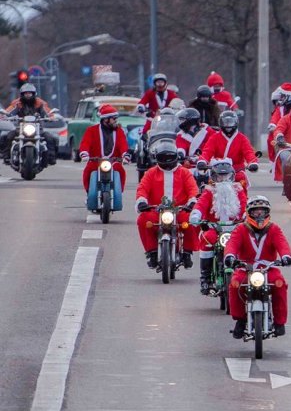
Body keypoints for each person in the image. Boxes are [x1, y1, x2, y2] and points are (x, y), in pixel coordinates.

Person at [224, 195, 291, 339]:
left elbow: (282, 244)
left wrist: (286, 256)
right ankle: (240, 320)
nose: (259, 215)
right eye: (256, 212)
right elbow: (232, 244)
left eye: (262, 211)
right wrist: (230, 256)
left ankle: (280, 323)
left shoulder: (273, 228)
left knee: (280, 284)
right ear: (249, 213)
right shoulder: (241, 229)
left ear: (268, 212)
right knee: (235, 284)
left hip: (268, 268)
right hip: (245, 268)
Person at [135, 140, 200, 269]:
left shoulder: (184, 172)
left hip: (180, 210)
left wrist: (192, 202)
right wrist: (142, 201)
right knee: (143, 220)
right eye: (163, 158)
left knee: (192, 221)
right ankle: (152, 252)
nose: (167, 161)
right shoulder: (151, 173)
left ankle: (187, 252)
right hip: (157, 210)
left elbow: (193, 189)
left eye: (170, 157)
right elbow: (142, 189)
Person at [188, 158, 247, 295]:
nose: (223, 179)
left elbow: (245, 206)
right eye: (220, 176)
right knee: (207, 238)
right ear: (213, 177)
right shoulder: (209, 191)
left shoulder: (238, 190)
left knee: (246, 241)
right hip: (214, 229)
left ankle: (246, 274)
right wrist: (196, 216)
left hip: (235, 229)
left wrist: (246, 216)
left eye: (226, 176)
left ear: (232, 176)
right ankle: (206, 278)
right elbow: (200, 205)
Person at [78, 103, 129, 214]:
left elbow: (123, 144)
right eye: (113, 119)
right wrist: (84, 154)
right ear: (105, 120)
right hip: (96, 161)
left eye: (116, 119)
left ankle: (118, 193)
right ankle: (89, 194)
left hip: (113, 161)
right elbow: (85, 143)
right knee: (88, 171)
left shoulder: (119, 131)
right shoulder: (91, 130)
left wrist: (125, 155)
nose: (115, 121)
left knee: (120, 171)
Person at [200, 110, 258, 189]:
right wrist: (202, 161)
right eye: (225, 122)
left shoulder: (242, 138)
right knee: (209, 186)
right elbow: (207, 151)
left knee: (241, 180)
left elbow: (249, 152)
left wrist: (252, 163)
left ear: (236, 122)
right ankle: (210, 200)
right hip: (217, 170)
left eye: (230, 122)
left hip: (236, 170)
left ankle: (243, 200)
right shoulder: (214, 137)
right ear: (221, 123)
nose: (228, 125)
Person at [2, 83, 54, 159]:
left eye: (30, 93)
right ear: (22, 94)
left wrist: (50, 117)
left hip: (38, 128)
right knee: (8, 136)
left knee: (50, 138)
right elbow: (9, 110)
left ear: (34, 94)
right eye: (26, 93)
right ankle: (6, 156)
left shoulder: (40, 103)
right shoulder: (17, 103)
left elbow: (47, 111)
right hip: (20, 128)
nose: (28, 95)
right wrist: (4, 115)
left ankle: (50, 157)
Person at [266, 82, 291, 151]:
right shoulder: (280, 109)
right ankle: (274, 160)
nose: (281, 99)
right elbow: (275, 118)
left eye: (283, 96)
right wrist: (272, 126)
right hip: (282, 138)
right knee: (270, 139)